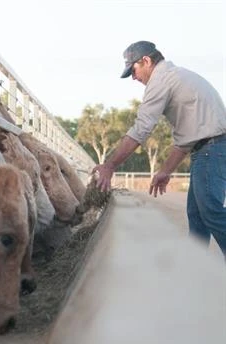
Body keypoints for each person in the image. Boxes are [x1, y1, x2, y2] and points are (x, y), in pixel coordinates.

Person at [93, 40, 226, 257]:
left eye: (133, 70)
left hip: (213, 150)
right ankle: (196, 268)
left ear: (146, 61)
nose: (134, 78)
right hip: (209, 149)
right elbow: (186, 140)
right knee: (197, 215)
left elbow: (142, 129)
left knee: (210, 211)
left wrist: (110, 166)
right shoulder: (177, 77)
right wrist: (165, 171)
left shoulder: (160, 80)